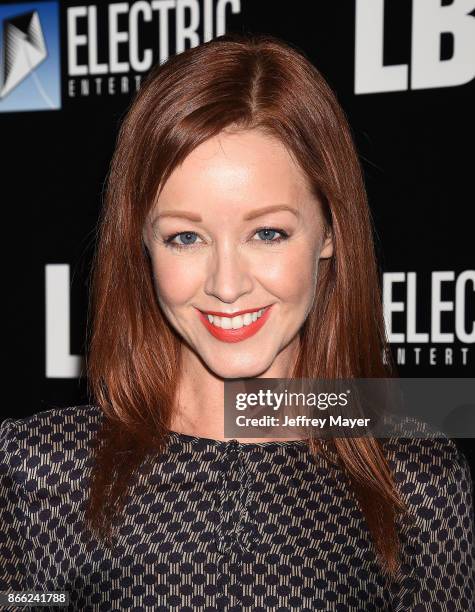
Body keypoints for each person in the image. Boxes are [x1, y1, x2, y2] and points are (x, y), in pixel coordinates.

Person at [1, 33, 474, 611]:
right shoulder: (42, 471)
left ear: (329, 233)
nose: (227, 285)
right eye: (186, 237)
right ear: (142, 244)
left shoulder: (417, 484)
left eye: (267, 232)